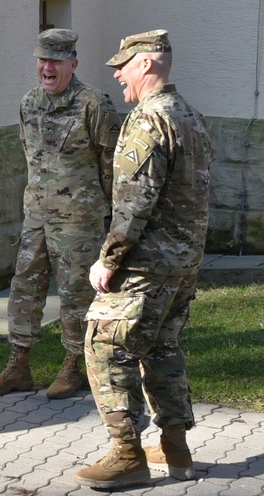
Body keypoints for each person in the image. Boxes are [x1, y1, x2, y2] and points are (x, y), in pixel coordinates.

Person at [74, 30, 213, 489]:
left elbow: (135, 201)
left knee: (103, 345)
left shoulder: (147, 120)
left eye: (123, 65)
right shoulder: (190, 115)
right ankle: (175, 447)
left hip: (146, 265)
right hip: (183, 264)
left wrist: (109, 259)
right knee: (161, 348)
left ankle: (126, 453)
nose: (116, 74)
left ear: (147, 64)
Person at [0, 29, 121, 399]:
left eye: (56, 60)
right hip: (36, 218)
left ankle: (74, 368)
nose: (47, 67)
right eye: (43, 59)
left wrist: (112, 221)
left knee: (76, 295)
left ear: (72, 64)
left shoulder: (94, 105)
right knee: (24, 289)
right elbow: (30, 155)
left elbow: (112, 167)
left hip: (79, 222)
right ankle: (18, 367)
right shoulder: (29, 103)